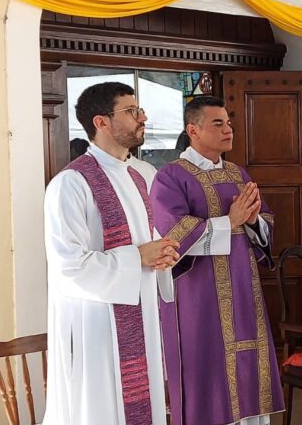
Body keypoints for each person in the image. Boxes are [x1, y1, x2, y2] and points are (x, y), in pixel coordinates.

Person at [43, 82, 179, 424]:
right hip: (97, 326)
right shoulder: (71, 184)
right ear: (101, 121)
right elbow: (68, 267)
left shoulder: (142, 175)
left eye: (139, 110)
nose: (142, 117)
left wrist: (163, 255)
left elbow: (150, 240)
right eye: (131, 111)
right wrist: (139, 258)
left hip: (143, 314)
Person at [150, 96, 283, 425]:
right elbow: (173, 234)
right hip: (199, 297)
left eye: (229, 123)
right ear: (193, 130)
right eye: (218, 123)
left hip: (244, 291)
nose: (228, 130)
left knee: (249, 378)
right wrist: (230, 221)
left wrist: (252, 221)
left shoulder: (237, 173)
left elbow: (263, 222)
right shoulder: (170, 177)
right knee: (209, 378)